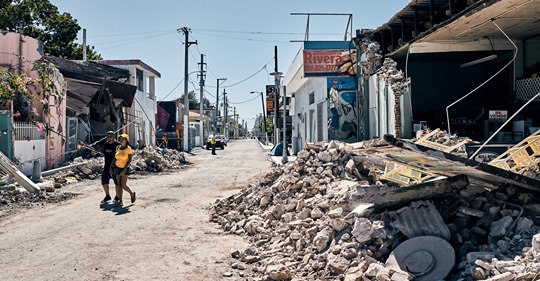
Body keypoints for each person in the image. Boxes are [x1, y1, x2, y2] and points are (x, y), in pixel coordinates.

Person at [110, 134, 136, 206]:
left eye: (123, 139)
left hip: (125, 168)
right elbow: (115, 157)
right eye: (120, 139)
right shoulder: (118, 147)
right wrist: (111, 166)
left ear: (126, 140)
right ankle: (120, 202)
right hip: (117, 167)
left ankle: (131, 193)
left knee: (123, 185)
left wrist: (124, 169)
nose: (121, 140)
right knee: (118, 185)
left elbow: (129, 160)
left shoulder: (128, 149)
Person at [100, 131, 119, 203]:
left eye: (110, 136)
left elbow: (117, 157)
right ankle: (107, 196)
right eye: (108, 137)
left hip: (115, 166)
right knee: (104, 181)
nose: (109, 138)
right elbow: (104, 153)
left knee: (117, 182)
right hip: (106, 166)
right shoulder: (105, 144)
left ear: (114, 137)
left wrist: (112, 166)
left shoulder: (117, 145)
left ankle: (117, 196)